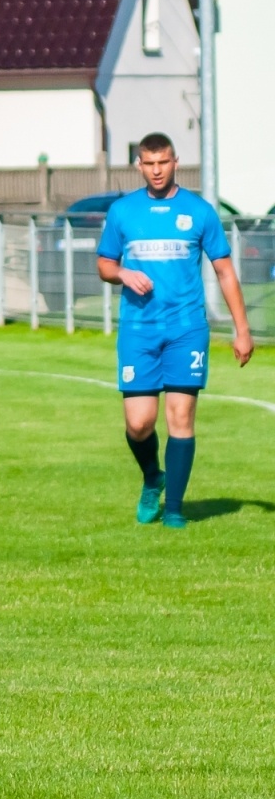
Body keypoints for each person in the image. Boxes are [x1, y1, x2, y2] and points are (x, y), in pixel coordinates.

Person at [96, 131, 254, 529]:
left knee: (180, 416)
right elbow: (104, 265)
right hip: (138, 329)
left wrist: (242, 330)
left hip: (186, 329)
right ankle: (153, 478)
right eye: (148, 164)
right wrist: (123, 274)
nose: (156, 171)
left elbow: (224, 272)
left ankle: (175, 510)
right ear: (138, 165)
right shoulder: (123, 212)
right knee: (139, 423)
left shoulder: (199, 211)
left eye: (162, 162)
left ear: (175, 161)